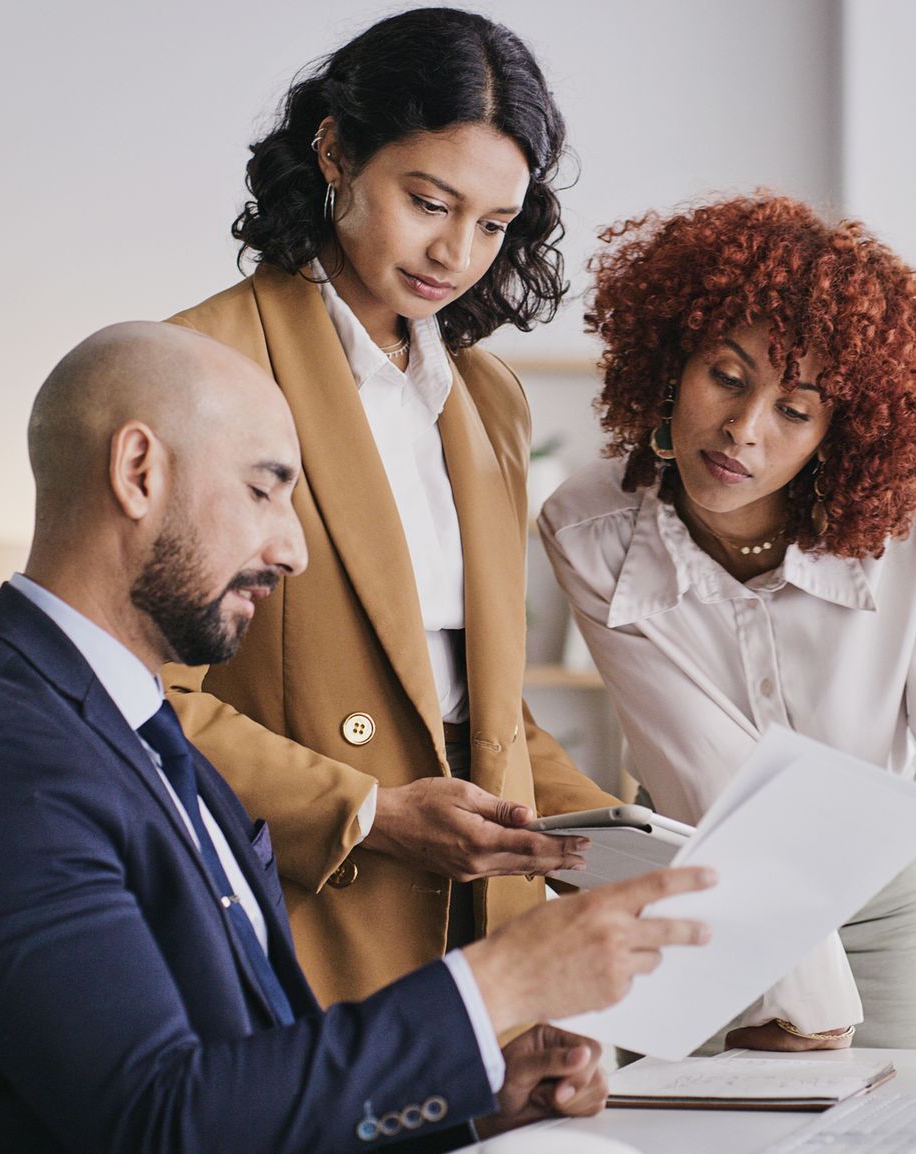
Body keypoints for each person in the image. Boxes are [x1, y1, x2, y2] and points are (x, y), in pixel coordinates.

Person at [0, 321, 714, 1153]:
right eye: (265, 489)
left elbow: (246, 1093)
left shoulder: (129, 728)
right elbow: (158, 1125)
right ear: (139, 471)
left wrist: (472, 1110)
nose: (293, 549)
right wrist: (502, 986)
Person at [538, 195, 916, 1062]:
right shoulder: (588, 528)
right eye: (727, 375)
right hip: (702, 893)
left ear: (839, 431)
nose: (742, 430)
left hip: (887, 901)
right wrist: (797, 1001)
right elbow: (702, 767)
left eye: (795, 409)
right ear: (674, 359)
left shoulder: (912, 525)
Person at [161, 7, 618, 1008]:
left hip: (482, 917)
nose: (457, 252)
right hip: (302, 907)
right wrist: (366, 809)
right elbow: (139, 696)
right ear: (334, 150)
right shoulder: (206, 368)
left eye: (494, 224)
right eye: (429, 201)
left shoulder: (488, 398)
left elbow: (477, 705)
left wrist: (628, 843)